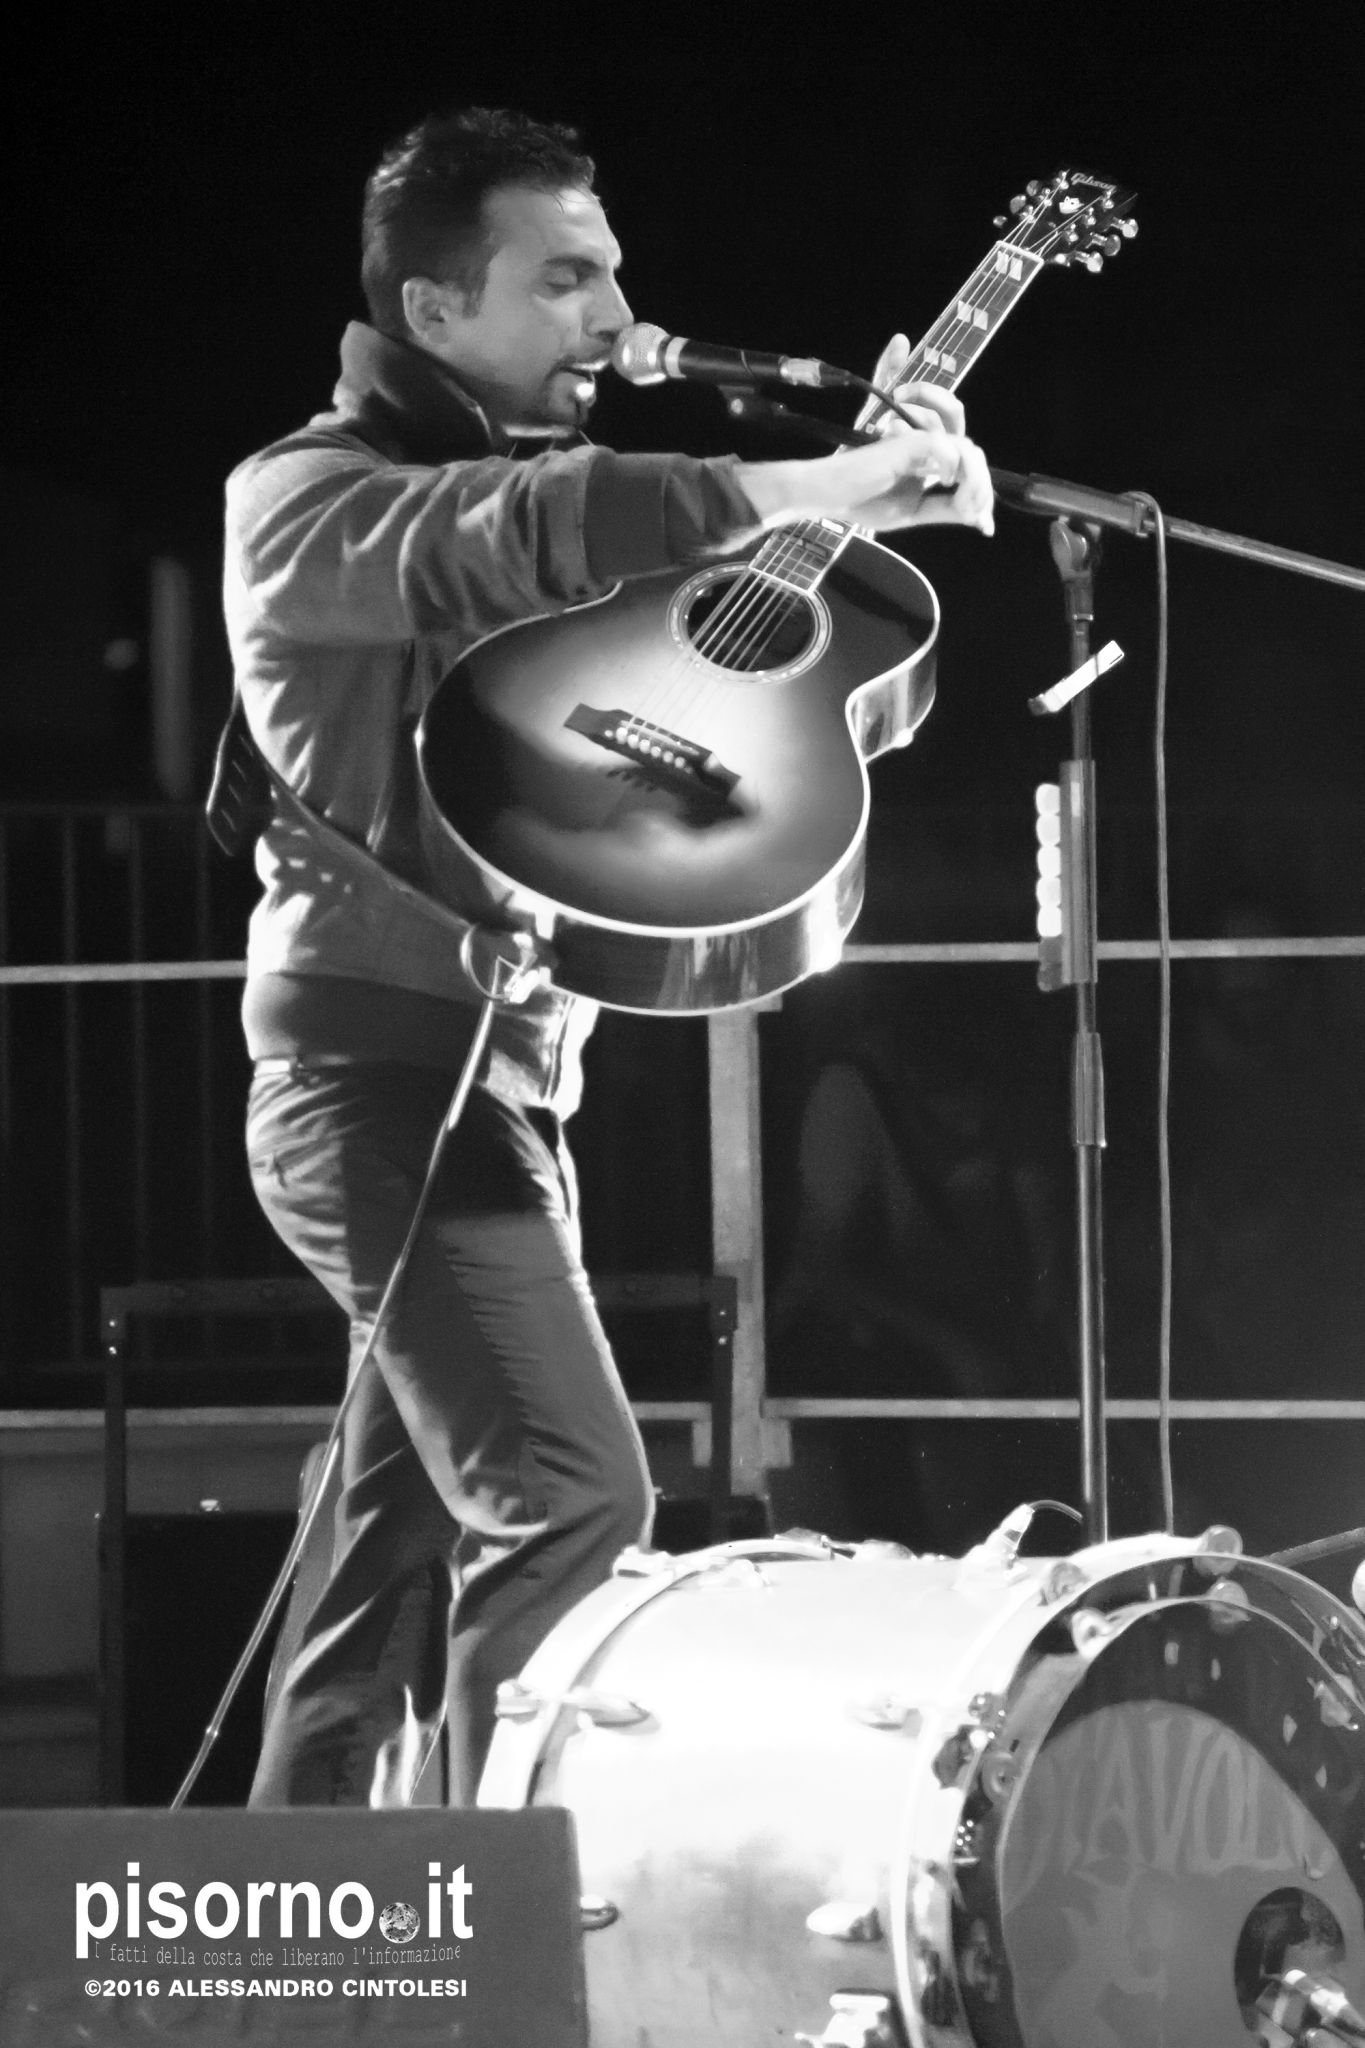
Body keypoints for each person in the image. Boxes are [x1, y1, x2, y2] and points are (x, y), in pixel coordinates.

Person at [222, 104, 994, 1808]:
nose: (613, 312)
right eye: (563, 278)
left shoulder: (559, 511)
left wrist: (863, 526)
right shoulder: (303, 499)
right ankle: (499, 1911)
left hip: (497, 1092)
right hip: (374, 1081)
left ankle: (309, 1927)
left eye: (612, 272)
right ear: (434, 309)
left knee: (384, 1561)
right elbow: (521, 530)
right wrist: (808, 484)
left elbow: (693, 701)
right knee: (572, 1497)